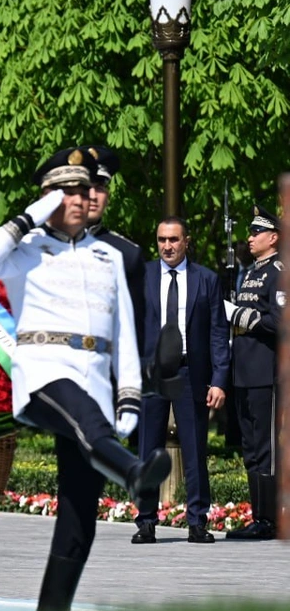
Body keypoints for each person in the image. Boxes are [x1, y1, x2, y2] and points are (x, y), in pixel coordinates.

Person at [0, 147, 170, 611]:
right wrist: (34, 214)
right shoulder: (26, 249)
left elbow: (123, 334)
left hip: (94, 380)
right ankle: (133, 473)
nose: (80, 199)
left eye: (84, 190)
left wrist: (129, 399)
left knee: (80, 519)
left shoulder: (109, 256)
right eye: (68, 192)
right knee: (82, 418)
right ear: (48, 197)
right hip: (44, 371)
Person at [131, 218, 230, 545]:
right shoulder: (142, 276)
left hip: (191, 373)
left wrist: (219, 379)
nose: (167, 246)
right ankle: (146, 522)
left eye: (173, 239)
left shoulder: (207, 279)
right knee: (148, 450)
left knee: (195, 450)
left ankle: (197, 522)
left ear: (186, 241)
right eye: (162, 239)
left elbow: (218, 332)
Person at [223, 205, 282, 539]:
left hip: (265, 372)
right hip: (244, 371)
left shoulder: (278, 271)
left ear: (273, 237)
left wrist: (238, 316)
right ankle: (259, 517)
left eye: (257, 232)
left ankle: (269, 520)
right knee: (251, 449)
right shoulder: (250, 272)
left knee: (265, 449)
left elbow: (279, 322)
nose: (250, 237)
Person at [79, 145, 147, 356]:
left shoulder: (127, 254)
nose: (93, 196)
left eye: (100, 187)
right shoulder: (42, 245)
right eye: (86, 186)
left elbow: (134, 333)